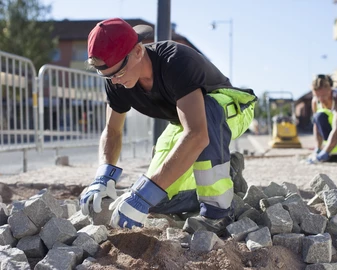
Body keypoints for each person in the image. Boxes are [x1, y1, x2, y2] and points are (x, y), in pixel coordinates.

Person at [79, 18, 257, 235]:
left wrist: (144, 194)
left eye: (118, 73)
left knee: (149, 190)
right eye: (107, 76)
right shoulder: (115, 78)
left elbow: (198, 134)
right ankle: (230, 174)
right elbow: (113, 130)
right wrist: (104, 176)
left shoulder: (177, 61)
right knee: (156, 200)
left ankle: (217, 212)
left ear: (137, 51)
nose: (114, 81)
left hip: (229, 108)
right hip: (186, 122)